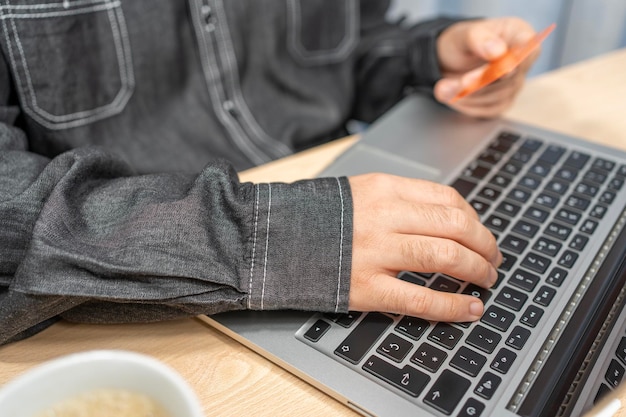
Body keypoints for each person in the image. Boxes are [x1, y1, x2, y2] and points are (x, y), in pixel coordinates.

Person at [0, 1, 538, 345]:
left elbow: (354, 46)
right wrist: (283, 237)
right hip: (149, 301)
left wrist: (427, 56)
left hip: (356, 205)